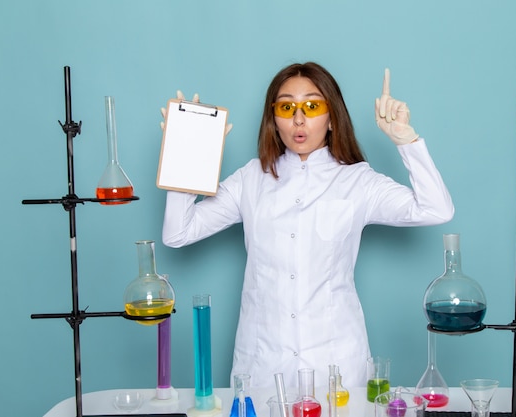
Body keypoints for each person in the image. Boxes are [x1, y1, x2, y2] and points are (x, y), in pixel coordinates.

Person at [161, 62, 454, 389]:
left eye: (312, 106)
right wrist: (185, 158)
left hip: (336, 362)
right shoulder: (250, 178)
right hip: (262, 364)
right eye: (287, 107)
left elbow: (435, 209)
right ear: (274, 118)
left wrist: (406, 141)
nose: (299, 119)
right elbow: (178, 233)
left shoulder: (357, 180)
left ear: (331, 117)